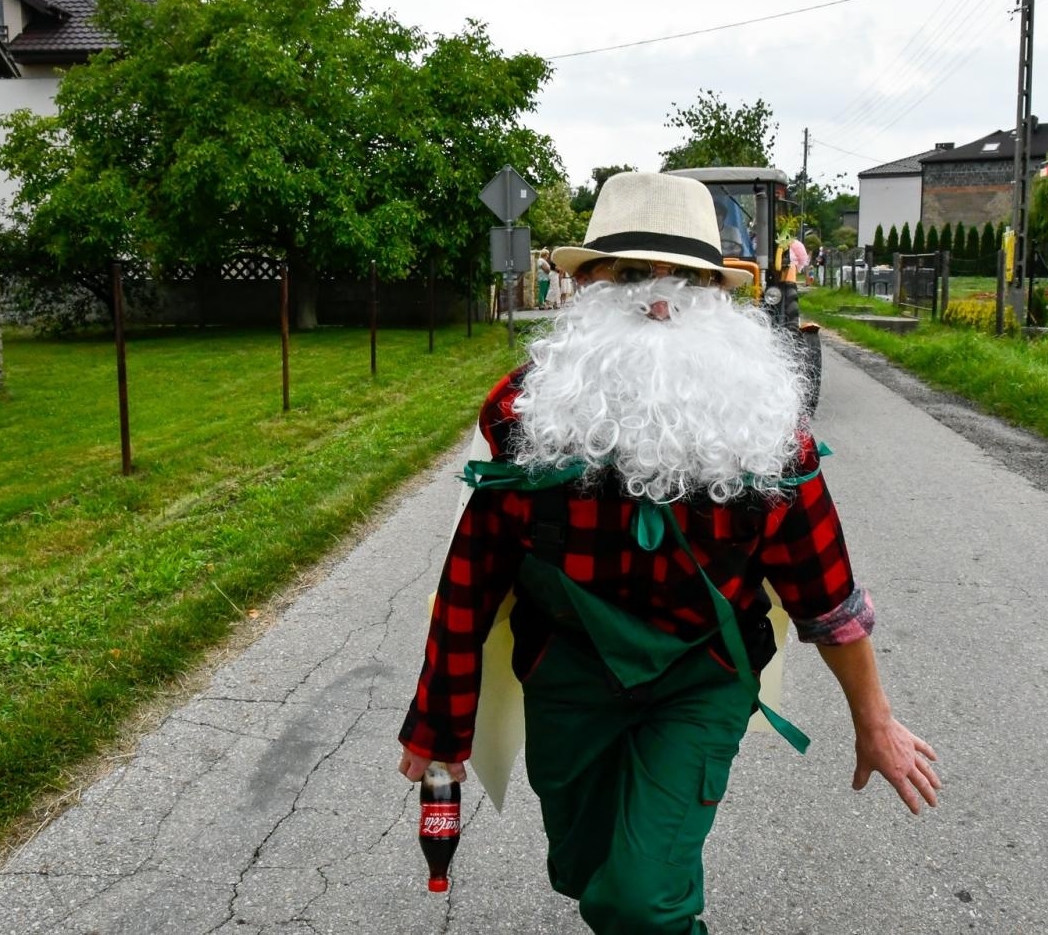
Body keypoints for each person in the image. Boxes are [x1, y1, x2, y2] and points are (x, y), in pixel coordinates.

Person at [398, 171, 938, 934]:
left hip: (700, 676)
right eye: (630, 276)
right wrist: (441, 725)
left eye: (683, 280)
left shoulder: (762, 430)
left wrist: (874, 721)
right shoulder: (528, 418)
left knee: (639, 901)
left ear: (716, 295)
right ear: (587, 286)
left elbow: (826, 595)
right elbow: (472, 578)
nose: (658, 302)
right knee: (583, 874)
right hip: (569, 673)